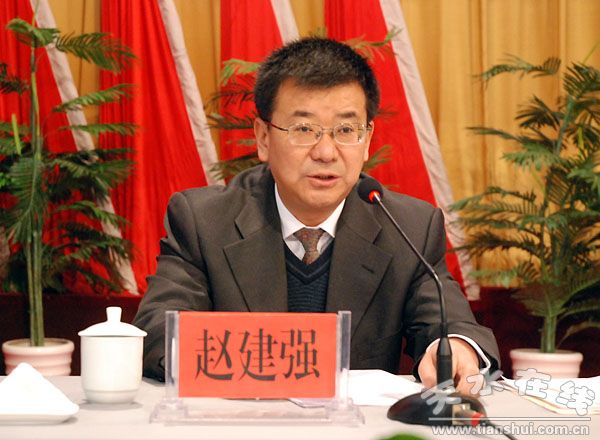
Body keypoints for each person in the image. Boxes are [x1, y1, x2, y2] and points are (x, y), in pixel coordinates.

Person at [134, 37, 500, 393]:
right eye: (304, 129)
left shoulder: (408, 228)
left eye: (346, 130)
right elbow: (158, 331)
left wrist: (455, 348)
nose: (326, 152)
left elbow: (450, 324)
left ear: (367, 139)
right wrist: (269, 367)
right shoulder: (204, 221)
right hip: (241, 421)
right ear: (263, 137)